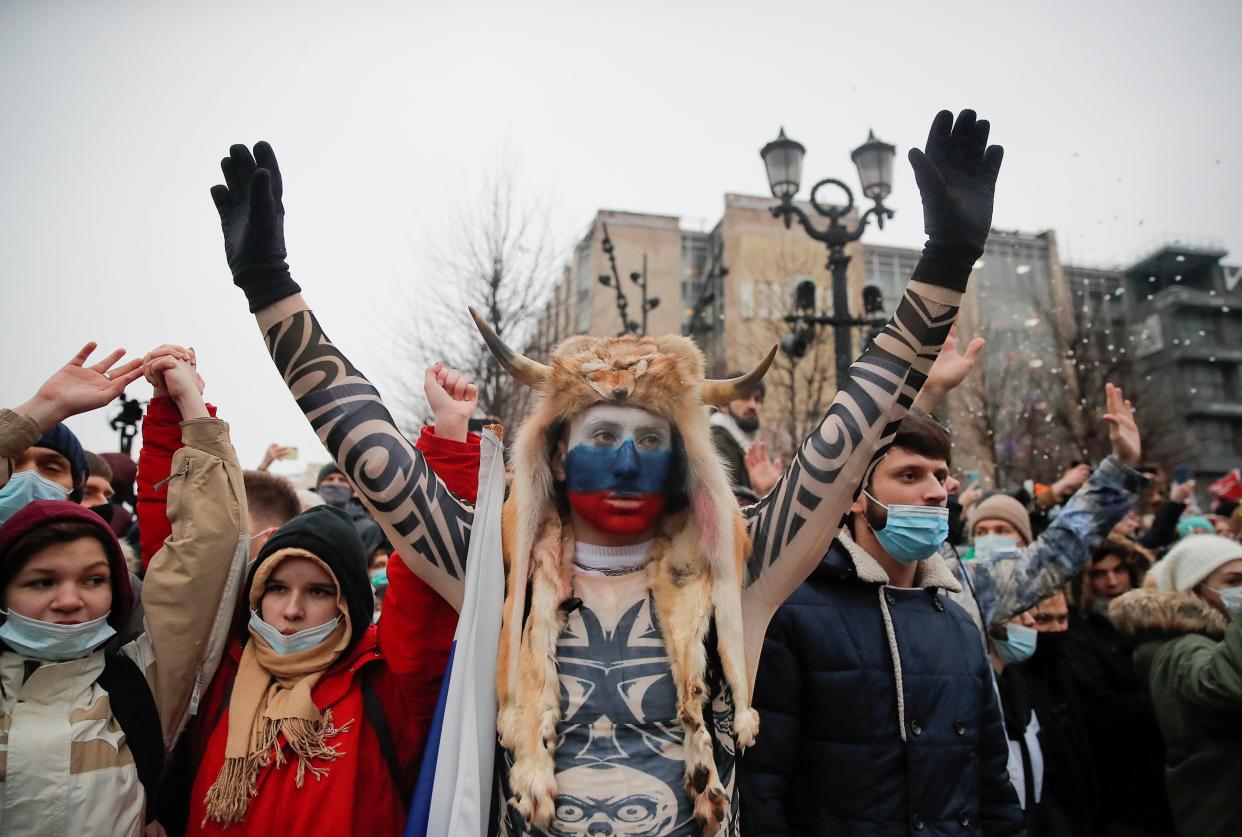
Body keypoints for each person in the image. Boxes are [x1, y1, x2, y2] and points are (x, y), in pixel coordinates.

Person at [207, 107, 999, 834]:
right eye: (602, 432)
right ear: (554, 453)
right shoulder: (498, 569)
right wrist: (272, 289)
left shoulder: (736, 568)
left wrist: (946, 260)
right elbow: (368, 448)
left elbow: (851, 431)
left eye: (651, 439)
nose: (625, 459)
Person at [0, 344, 245, 836]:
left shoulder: (140, 685)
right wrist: (41, 411)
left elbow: (208, 547)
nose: (69, 600)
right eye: (41, 582)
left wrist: (194, 413)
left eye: (94, 580)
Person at [741, 412, 1022, 835]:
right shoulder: (794, 615)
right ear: (857, 496)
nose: (934, 492)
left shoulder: (960, 626)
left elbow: (993, 786)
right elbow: (762, 786)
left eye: (940, 476)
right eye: (909, 476)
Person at [1108, 534, 1242, 837]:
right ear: (1194, 589)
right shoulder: (1177, 647)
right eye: (1233, 581)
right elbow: (1230, 686)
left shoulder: (1222, 637)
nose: (1240, 590)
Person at [1059, 535, 1173, 835]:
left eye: (1119, 570)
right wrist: (1159, 698)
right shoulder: (1079, 634)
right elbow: (1098, 710)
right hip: (1117, 778)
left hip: (1163, 771)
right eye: (1099, 573)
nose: (1111, 581)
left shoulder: (1154, 625)